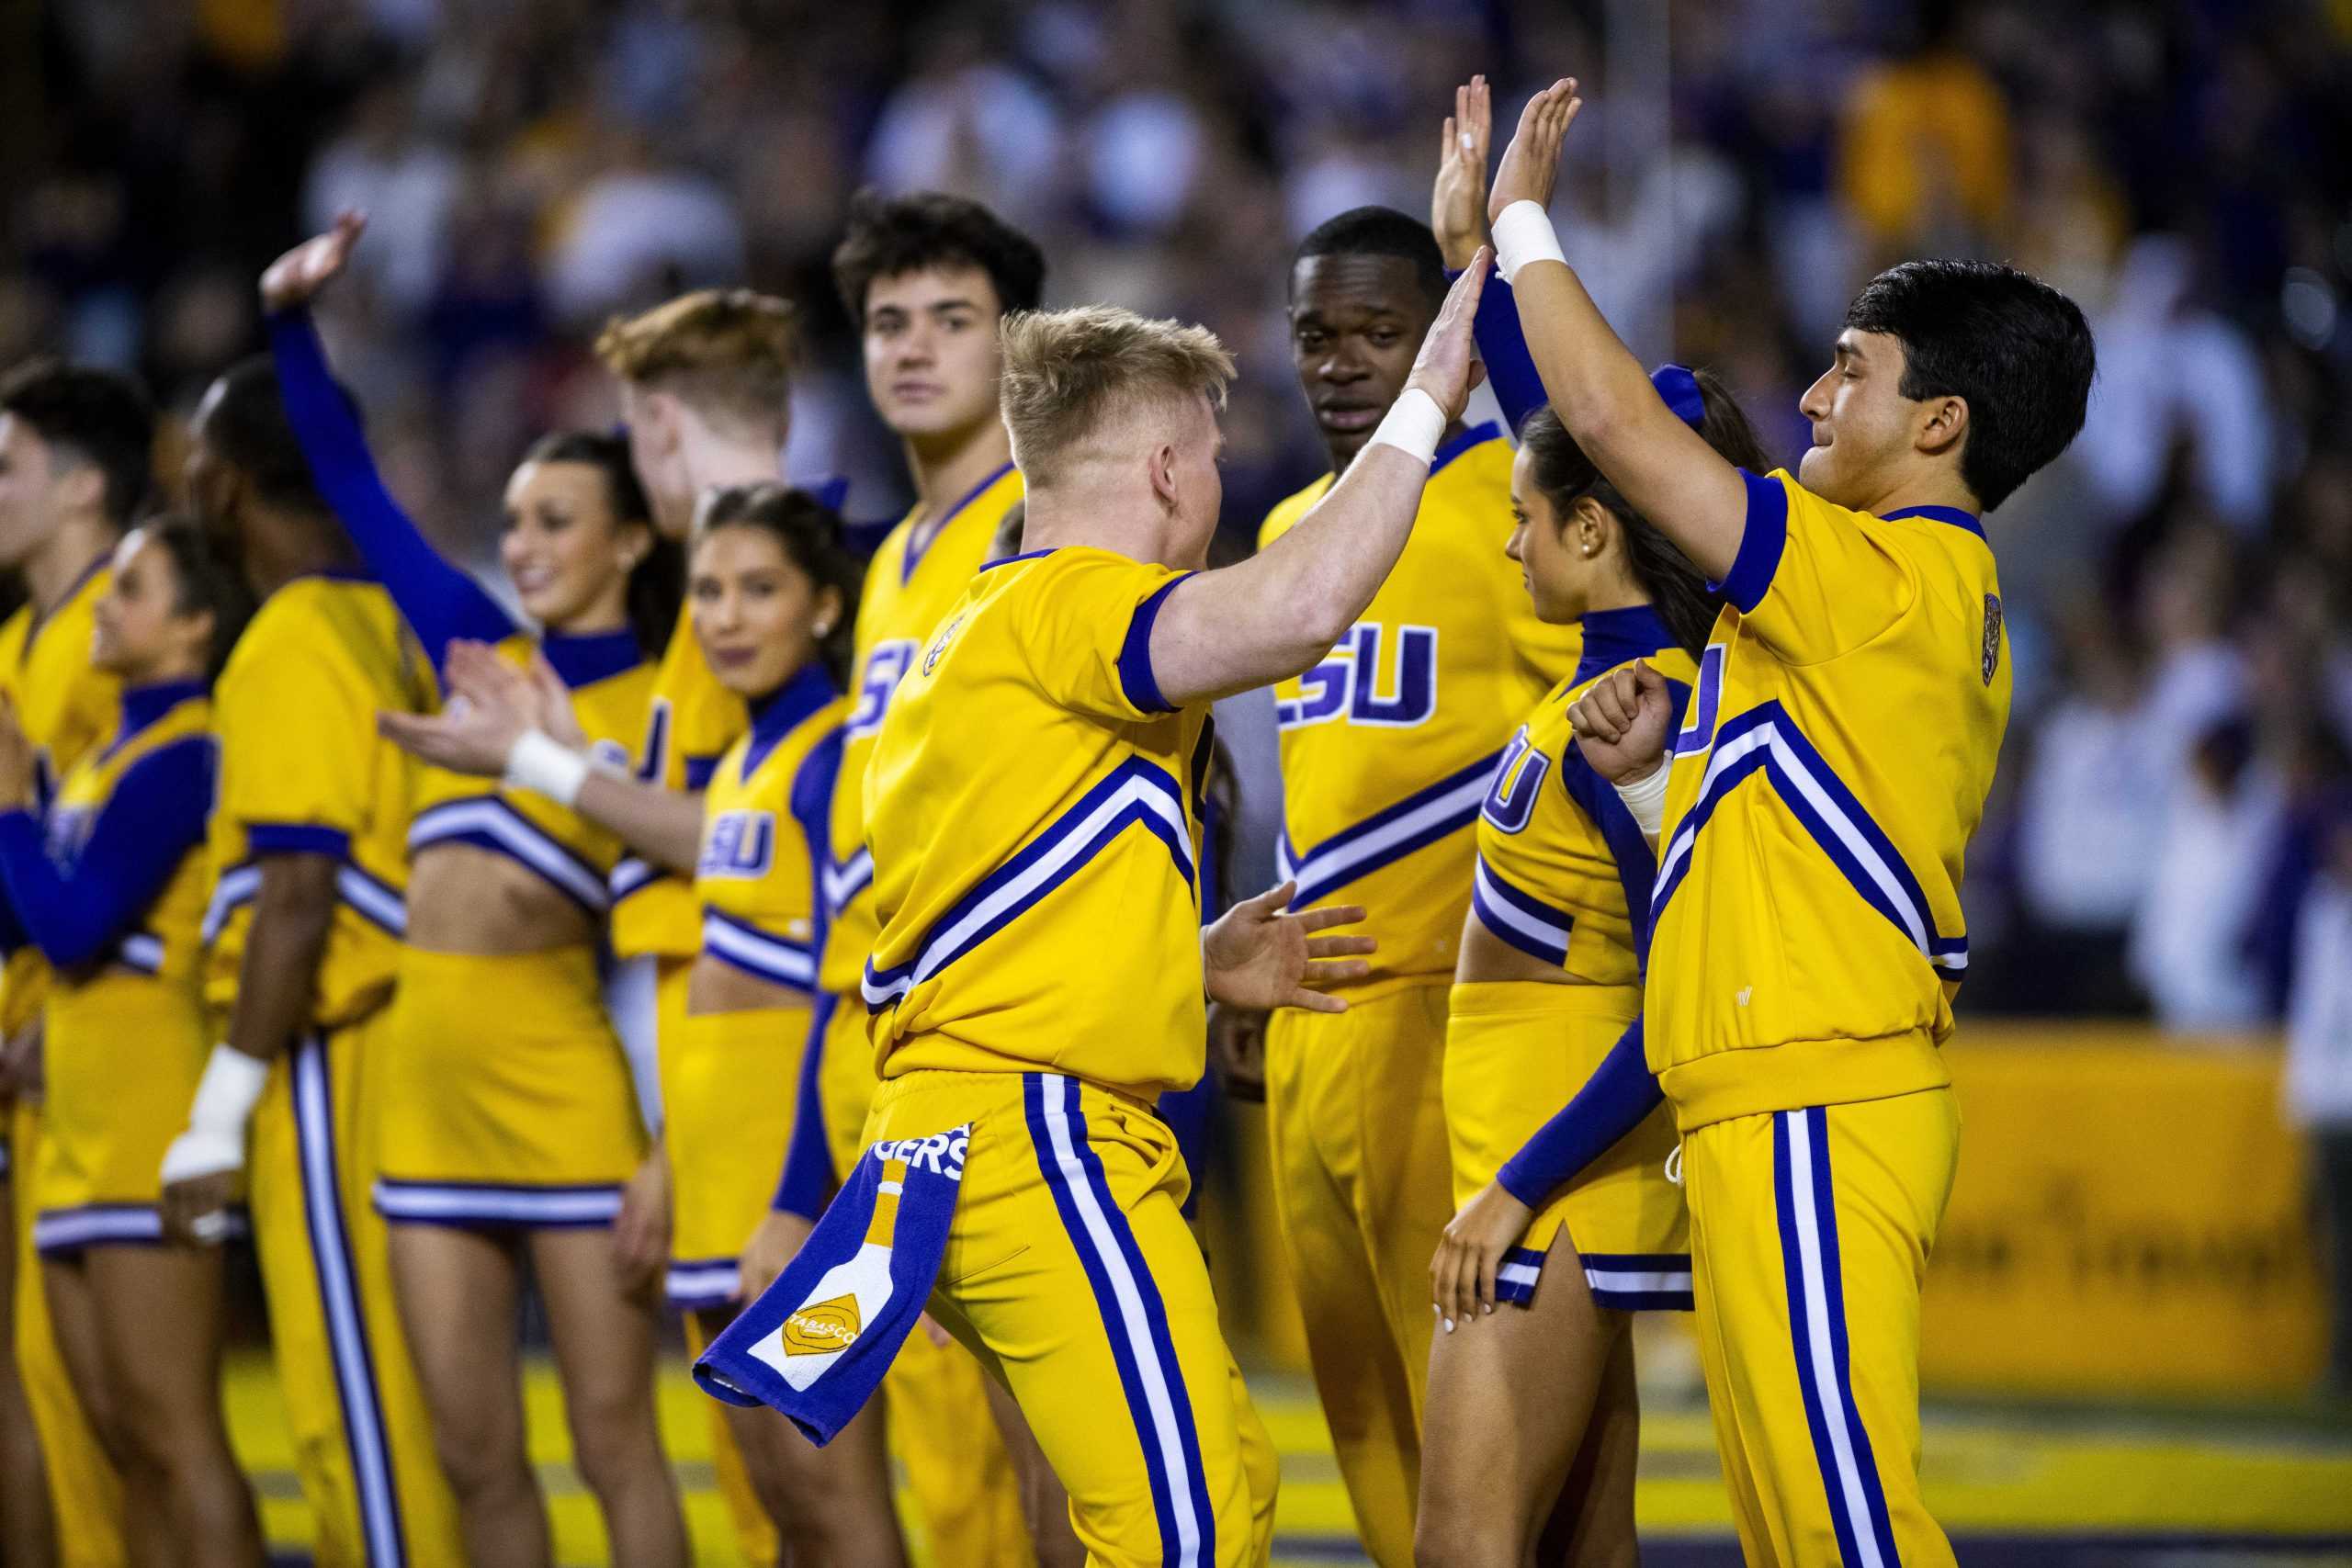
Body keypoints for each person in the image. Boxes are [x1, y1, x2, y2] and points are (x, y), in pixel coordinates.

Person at [1486, 80, 2093, 1564]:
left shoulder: (1882, 582)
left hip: (1819, 1102)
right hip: (1775, 1100)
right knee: (1799, 1533)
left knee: (1845, 1535)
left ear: (1938, 422)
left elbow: (1615, 428)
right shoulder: (1870, 597)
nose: (1812, 399)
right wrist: (1645, 790)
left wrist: (1518, 226)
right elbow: (1764, 852)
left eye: (1850, 370)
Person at [807, 262, 1486, 1563]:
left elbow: (980, 920)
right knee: (1187, 1531)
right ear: (1170, 470)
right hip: (1036, 1132)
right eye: (1214, 455)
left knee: (1217, 1482)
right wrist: (1431, 396)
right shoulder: (1070, 601)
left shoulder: (972, 629)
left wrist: (1185, 956)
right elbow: (1303, 604)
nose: (1223, 485)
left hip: (968, 1130)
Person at [258, 216, 688, 1566]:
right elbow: (352, 479)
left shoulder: (676, 697)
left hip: (565, 1090)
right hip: (421, 1101)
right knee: (472, 1452)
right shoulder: (477, 646)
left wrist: (677, 1141)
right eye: (512, 520)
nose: (526, 540)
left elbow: (722, 910)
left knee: (614, 1445)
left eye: (557, 518)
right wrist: (285, 321)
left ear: (628, 539)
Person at [379, 483, 907, 1564]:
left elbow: (834, 996)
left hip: (792, 1191)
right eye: (708, 591)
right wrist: (674, 1153)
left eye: (760, 590)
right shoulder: (745, 762)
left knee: (841, 1501)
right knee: (788, 1506)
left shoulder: (830, 756)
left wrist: (799, 1200)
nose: (725, 616)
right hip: (719, 1181)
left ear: (822, 606)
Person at [737, 187, 1066, 1566]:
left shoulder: (1041, 530)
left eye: (952, 318)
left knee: (1045, 1462)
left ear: (1019, 345)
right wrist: (804, 1167)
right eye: (886, 322)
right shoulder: (892, 564)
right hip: (874, 1059)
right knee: (800, 1414)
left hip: (1000, 1061)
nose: (913, 346)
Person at [1249, 205, 1577, 1563]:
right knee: (1367, 1423)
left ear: (1437, 334)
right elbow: (1317, 785)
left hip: (1448, 1027)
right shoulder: (1285, 521)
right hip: (1308, 1030)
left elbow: (1615, 718)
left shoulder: (1512, 502)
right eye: (1317, 335)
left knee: (1485, 1445)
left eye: (1381, 332)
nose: (1342, 362)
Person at [1418, 377, 1770, 1565]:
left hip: (1555, 1168)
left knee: (1464, 1544)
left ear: (1591, 526)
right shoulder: (1609, 679)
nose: (1509, 540)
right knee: (1582, 1545)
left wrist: (1515, 1187)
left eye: (1527, 512)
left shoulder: (1642, 705)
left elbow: (1678, 995)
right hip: (1540, 1146)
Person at [155, 354, 465, 1567]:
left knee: (362, 1420)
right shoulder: (384, 614)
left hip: (335, 1052)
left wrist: (222, 1106)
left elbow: (297, 893)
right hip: (403, 1039)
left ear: (226, 486)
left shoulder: (290, 629)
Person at [0, 519, 265, 1566]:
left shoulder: (186, 752)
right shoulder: (107, 757)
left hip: (152, 1118)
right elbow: (28, 919)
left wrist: (11, 805)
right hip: (76, 1118)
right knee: (118, 1434)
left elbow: (74, 924)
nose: (104, 605)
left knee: (176, 1430)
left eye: (135, 588)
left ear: (196, 623)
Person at [592, 283, 800, 1567]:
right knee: (775, 1483)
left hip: (782, 1109)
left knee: (845, 1483)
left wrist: (555, 769)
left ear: (659, 421)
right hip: (722, 1094)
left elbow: (768, 858)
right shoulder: (721, 581)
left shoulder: (764, 582)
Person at [0, 356, 155, 1566]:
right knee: (37, 1379)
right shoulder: (20, 637)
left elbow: (149, 843)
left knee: (117, 1404)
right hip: (28, 1020)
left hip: (91, 1034)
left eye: (7, 467)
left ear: (83, 487)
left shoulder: (124, 629)